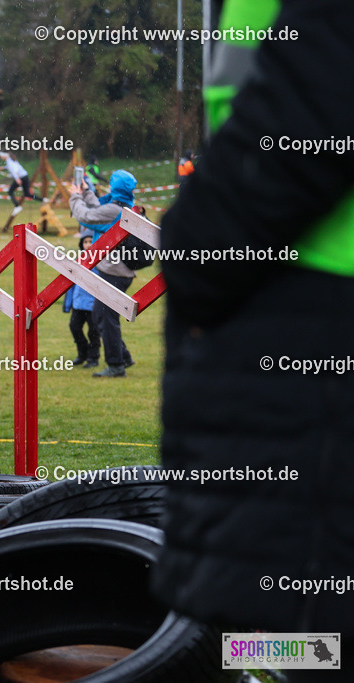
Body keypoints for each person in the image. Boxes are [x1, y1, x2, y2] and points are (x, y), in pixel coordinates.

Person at [150, 1, 354, 676]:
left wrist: (199, 248)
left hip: (313, 320)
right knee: (301, 647)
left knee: (320, 643)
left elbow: (322, 91)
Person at [68, 170, 137, 377]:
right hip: (120, 272)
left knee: (106, 318)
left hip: (114, 272)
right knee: (103, 316)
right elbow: (100, 210)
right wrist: (86, 192)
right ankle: (124, 357)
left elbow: (86, 216)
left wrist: (75, 195)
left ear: (115, 188)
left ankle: (116, 365)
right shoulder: (122, 207)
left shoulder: (114, 210)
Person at [63, 236, 100, 368]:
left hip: (94, 304)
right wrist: (68, 304)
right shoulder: (78, 261)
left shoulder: (100, 262)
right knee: (75, 327)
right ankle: (82, 353)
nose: (88, 244)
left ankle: (93, 358)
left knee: (94, 332)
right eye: (85, 242)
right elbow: (71, 284)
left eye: (91, 241)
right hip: (79, 303)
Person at [0, 152, 33, 216]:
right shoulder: (10, 159)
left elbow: (15, 170)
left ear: (4, 156)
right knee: (27, 194)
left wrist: (17, 179)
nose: (0, 157)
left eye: (1, 156)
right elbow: (13, 167)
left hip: (21, 177)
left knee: (10, 191)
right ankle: (43, 199)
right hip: (24, 176)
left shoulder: (9, 161)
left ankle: (17, 206)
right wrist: (4, 168)